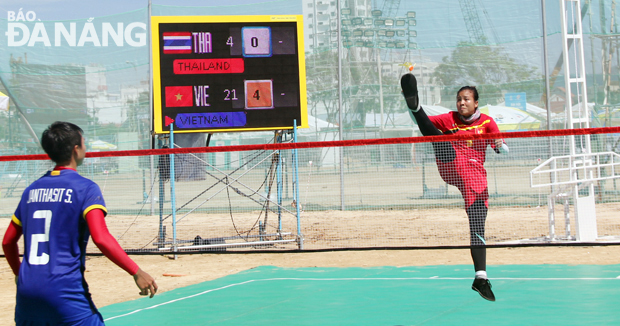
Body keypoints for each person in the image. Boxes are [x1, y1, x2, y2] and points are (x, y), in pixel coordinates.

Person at [2, 121, 158, 325]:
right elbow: (101, 238)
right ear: (76, 150)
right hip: (64, 291)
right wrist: (136, 271)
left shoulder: (31, 190)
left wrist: (18, 273)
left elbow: (7, 241)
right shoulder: (86, 188)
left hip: (27, 293)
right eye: (84, 143)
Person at [401, 73, 508, 301]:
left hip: (475, 177)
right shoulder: (449, 118)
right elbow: (422, 125)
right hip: (451, 164)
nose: (462, 103)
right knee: (439, 139)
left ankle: (481, 278)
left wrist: (500, 146)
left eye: (466, 99)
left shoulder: (487, 122)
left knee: (478, 225)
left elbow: (501, 147)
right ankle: (414, 102)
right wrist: (415, 112)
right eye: (459, 99)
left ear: (476, 102)